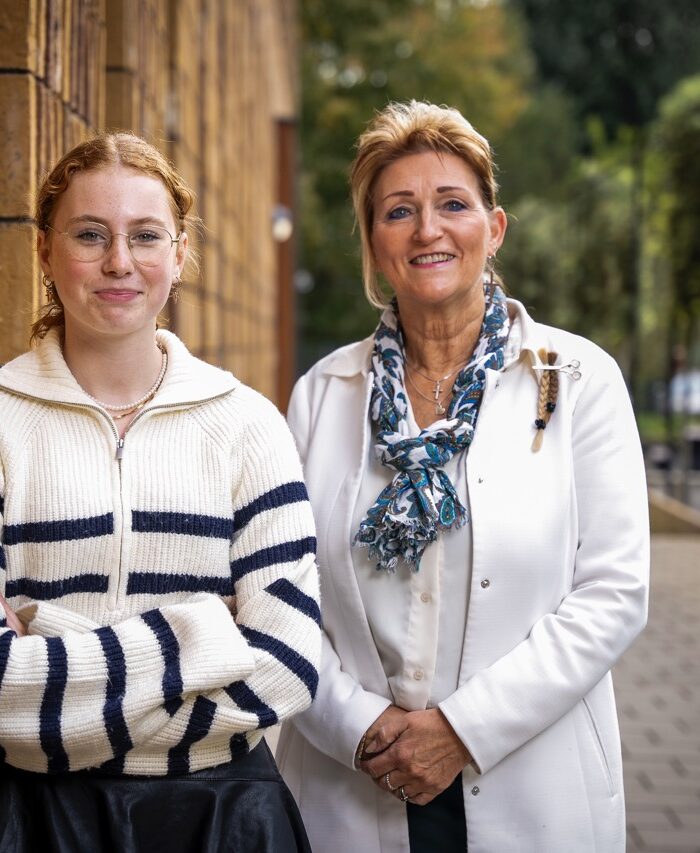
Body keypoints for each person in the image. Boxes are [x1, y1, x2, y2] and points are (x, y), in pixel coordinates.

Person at [276, 100, 649, 852]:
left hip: (531, 781)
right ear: (374, 242)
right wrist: (360, 727)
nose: (428, 229)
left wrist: (460, 730)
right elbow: (281, 596)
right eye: (398, 210)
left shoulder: (578, 380)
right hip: (351, 781)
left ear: (494, 226)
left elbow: (613, 593)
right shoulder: (322, 393)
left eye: (453, 204)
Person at [0, 132, 320, 852]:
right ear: (46, 253)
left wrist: (51, 647)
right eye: (90, 234)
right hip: (33, 817)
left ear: (178, 254)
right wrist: (206, 636)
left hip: (222, 816)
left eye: (145, 236)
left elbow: (287, 667)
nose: (119, 261)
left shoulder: (248, 426)